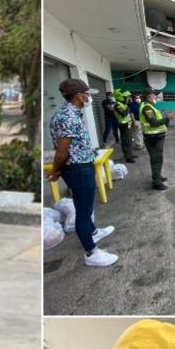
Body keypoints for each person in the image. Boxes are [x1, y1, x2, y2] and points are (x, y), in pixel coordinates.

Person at [47, 78, 118, 267]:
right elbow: (62, 152)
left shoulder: (72, 113)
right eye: (86, 94)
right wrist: (55, 171)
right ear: (79, 96)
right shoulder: (67, 117)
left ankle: (93, 232)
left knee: (86, 207)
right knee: (83, 211)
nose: (88, 97)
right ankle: (91, 253)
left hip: (82, 165)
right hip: (78, 169)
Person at [139, 88, 170, 190]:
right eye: (154, 95)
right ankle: (156, 182)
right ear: (149, 95)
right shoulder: (147, 108)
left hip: (155, 137)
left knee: (157, 158)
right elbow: (153, 123)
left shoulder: (150, 106)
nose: (156, 96)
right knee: (156, 159)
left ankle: (157, 176)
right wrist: (168, 118)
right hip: (153, 138)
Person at [111, 89, 136, 163]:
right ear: (121, 97)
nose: (128, 98)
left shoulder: (123, 104)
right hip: (123, 125)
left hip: (127, 124)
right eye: (126, 97)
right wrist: (128, 106)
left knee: (129, 140)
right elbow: (123, 114)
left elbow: (129, 113)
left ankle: (130, 154)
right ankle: (128, 157)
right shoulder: (117, 105)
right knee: (126, 141)